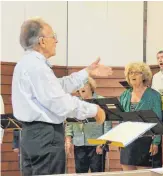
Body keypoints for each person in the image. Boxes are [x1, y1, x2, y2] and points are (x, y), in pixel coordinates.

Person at [12, 17, 111, 175]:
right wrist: (94, 110)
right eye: (53, 36)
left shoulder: (25, 64)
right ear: (42, 41)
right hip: (46, 136)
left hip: (30, 135)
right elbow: (59, 102)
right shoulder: (37, 67)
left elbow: (58, 86)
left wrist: (87, 72)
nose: (56, 41)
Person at [119, 62, 162, 171]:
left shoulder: (154, 95)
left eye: (136, 73)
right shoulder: (124, 95)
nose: (133, 75)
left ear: (144, 76)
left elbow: (158, 120)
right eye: (130, 73)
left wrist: (156, 142)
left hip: (145, 140)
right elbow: (121, 119)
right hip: (127, 140)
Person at [65, 77, 112, 173]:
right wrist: (68, 140)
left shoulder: (101, 101)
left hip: (96, 144)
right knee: (80, 173)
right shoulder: (75, 102)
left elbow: (107, 123)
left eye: (83, 85)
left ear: (90, 86)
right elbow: (69, 122)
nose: (81, 88)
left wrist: (103, 142)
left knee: (97, 173)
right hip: (79, 143)